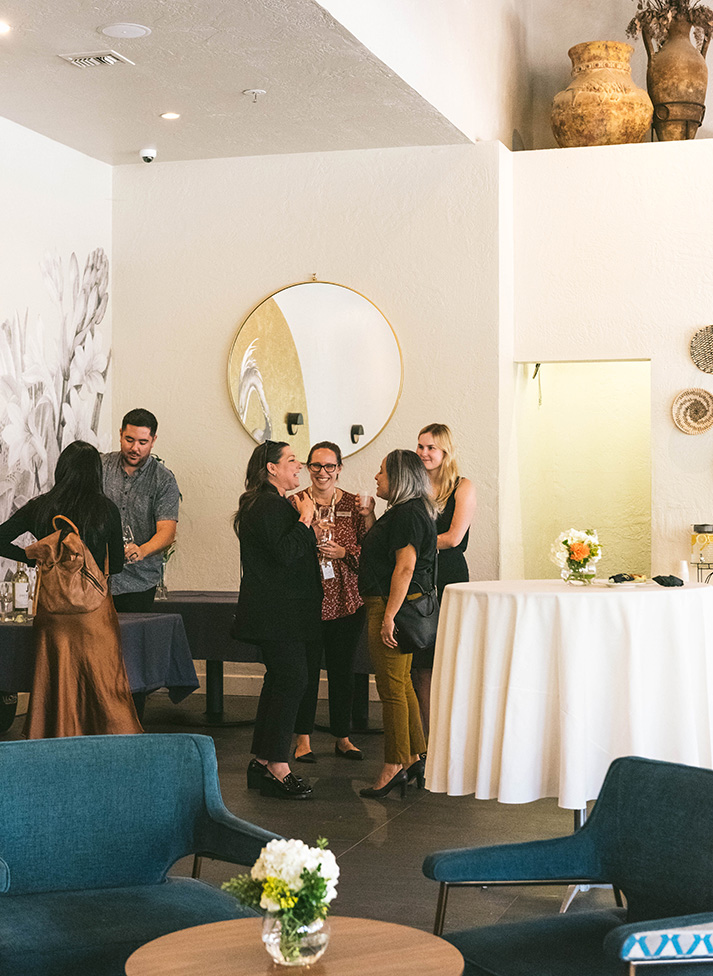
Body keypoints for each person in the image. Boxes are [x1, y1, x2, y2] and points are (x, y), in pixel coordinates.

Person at [0, 441, 142, 738]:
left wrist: (33, 556)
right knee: (102, 682)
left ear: (61, 469)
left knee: (56, 679)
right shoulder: (105, 510)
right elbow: (114, 565)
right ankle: (105, 739)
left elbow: (1, 538)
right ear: (95, 473)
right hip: (93, 615)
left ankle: (56, 736)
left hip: (52, 612)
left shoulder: (40, 507)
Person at [232, 440, 322, 799]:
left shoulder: (270, 503)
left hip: (283, 611)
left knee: (282, 679)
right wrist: (305, 519)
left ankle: (263, 761)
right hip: (277, 612)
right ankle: (277, 765)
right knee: (293, 678)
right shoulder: (266, 504)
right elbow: (285, 553)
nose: (298, 467)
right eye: (291, 461)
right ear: (271, 467)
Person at [357, 450, 436, 798]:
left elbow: (404, 568)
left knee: (390, 690)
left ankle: (392, 767)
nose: (377, 477)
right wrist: (371, 518)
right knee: (402, 684)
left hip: (391, 607)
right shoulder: (411, 511)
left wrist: (388, 616)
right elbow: (386, 555)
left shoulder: (406, 515)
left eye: (383, 472)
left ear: (400, 478)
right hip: (401, 607)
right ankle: (415, 756)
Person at [291, 441, 375, 763]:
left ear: (339, 468)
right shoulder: (295, 502)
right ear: (307, 467)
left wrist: (344, 553)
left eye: (329, 466)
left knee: (343, 671)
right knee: (307, 671)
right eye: (316, 466)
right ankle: (303, 738)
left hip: (346, 601)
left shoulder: (358, 504)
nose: (322, 472)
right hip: (309, 599)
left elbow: (371, 552)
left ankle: (343, 736)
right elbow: (286, 549)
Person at [414, 423, 476, 736]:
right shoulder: (412, 485)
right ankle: (428, 736)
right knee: (421, 664)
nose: (424, 453)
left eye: (431, 448)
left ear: (445, 452)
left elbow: (453, 538)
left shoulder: (462, 486)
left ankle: (454, 734)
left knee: (450, 659)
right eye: (421, 446)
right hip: (418, 577)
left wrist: (411, 544)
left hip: (450, 576)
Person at [101, 408, 180, 613]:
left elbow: (167, 531)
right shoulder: (101, 467)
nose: (135, 448)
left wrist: (142, 550)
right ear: (120, 434)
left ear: (153, 440)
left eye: (142, 442)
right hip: (98, 579)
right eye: (129, 440)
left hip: (139, 582)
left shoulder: (164, 480)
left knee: (132, 642)